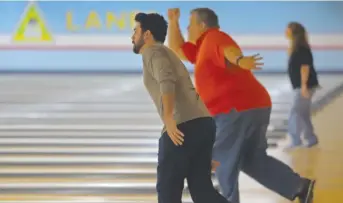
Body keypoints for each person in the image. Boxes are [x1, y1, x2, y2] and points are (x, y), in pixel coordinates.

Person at [167, 7, 316, 203]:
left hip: (234, 109)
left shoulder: (214, 37)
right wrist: (173, 21)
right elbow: (177, 49)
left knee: (221, 157)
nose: (187, 28)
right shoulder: (202, 47)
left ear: (202, 25)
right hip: (252, 105)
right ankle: (298, 186)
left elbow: (228, 50)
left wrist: (240, 60)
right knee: (251, 159)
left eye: (190, 24)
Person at [131, 12, 231, 203]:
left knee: (168, 191)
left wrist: (169, 119)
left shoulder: (153, 52)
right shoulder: (166, 52)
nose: (132, 36)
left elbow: (166, 81)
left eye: (135, 31)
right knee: (203, 192)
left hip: (183, 126)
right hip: (202, 124)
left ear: (147, 35)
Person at [285, 22, 319, 149]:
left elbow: (305, 67)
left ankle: (295, 141)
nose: (285, 32)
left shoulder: (301, 48)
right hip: (302, 86)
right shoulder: (296, 47)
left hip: (305, 86)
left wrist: (304, 86)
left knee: (294, 113)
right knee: (303, 113)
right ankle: (311, 139)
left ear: (293, 32)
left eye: (287, 30)